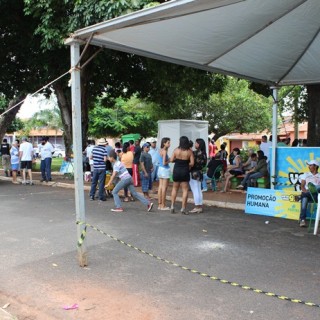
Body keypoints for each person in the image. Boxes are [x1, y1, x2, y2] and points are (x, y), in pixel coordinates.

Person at [170, 136, 194, 214]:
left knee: (174, 189)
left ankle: (172, 206)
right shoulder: (189, 151)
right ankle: (183, 208)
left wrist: (176, 161)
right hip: (185, 171)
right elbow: (192, 163)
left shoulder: (176, 150)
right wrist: (187, 163)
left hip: (176, 170)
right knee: (185, 190)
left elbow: (171, 160)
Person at [298, 160, 320, 227]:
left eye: (310, 165)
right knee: (304, 198)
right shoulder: (306, 174)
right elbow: (302, 186)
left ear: (315, 166)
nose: (309, 166)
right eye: (309, 165)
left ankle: (303, 195)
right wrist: (304, 191)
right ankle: (302, 220)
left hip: (316, 195)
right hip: (307, 193)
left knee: (317, 187)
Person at [189, 138, 207, 213]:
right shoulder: (204, 153)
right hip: (200, 172)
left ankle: (197, 206)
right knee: (199, 190)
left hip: (194, 172)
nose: (195, 144)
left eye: (196, 143)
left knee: (195, 190)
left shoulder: (195, 153)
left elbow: (191, 162)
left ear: (199, 144)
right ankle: (199, 206)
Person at [157, 137, 171, 210]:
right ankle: (163, 205)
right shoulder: (164, 151)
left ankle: (160, 204)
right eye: (168, 142)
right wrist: (170, 160)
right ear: (164, 143)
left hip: (160, 169)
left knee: (160, 187)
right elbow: (164, 162)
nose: (169, 144)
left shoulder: (160, 150)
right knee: (164, 188)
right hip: (164, 169)